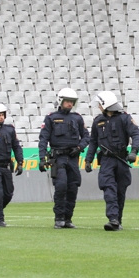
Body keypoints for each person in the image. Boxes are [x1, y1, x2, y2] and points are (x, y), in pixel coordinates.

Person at [84, 91, 139, 231]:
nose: (98, 106)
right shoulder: (98, 121)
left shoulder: (125, 118)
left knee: (120, 191)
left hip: (122, 159)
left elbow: (136, 134)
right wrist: (88, 159)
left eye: (100, 104)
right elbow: (93, 142)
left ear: (105, 104)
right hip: (106, 161)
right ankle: (113, 218)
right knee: (109, 188)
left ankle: (117, 220)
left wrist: (134, 151)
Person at [38, 88, 90, 229]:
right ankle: (59, 218)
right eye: (67, 101)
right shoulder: (51, 118)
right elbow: (43, 139)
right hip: (57, 158)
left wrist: (79, 147)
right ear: (61, 101)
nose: (70, 104)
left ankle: (68, 218)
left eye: (72, 101)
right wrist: (42, 158)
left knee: (73, 187)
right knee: (61, 186)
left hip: (73, 158)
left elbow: (86, 136)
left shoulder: (77, 118)